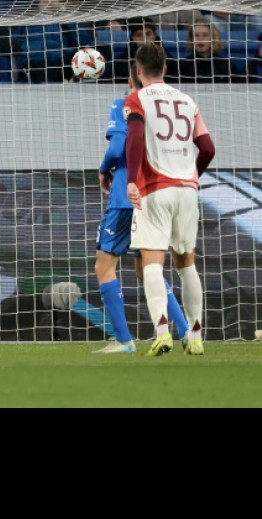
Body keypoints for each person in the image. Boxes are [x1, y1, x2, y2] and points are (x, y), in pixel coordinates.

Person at [125, 43, 216, 357]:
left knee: (152, 262)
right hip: (187, 191)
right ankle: (195, 336)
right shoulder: (188, 101)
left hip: (154, 189)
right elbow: (208, 149)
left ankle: (162, 332)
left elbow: (135, 138)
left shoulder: (136, 99)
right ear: (165, 69)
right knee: (186, 263)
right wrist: (192, 176)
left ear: (138, 70)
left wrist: (133, 181)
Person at [93, 62, 189, 354]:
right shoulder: (167, 110)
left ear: (129, 80)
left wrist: (103, 168)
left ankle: (124, 341)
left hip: (126, 196)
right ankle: (186, 333)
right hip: (156, 195)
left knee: (104, 265)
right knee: (148, 268)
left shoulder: (124, 103)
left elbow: (117, 147)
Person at [105, 17, 179, 85]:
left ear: (154, 35)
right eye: (139, 35)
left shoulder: (169, 61)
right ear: (133, 38)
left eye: (148, 34)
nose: (144, 39)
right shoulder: (119, 63)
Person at [177, 20, 244, 84]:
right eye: (196, 35)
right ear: (191, 39)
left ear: (213, 38)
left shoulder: (227, 66)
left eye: (205, 35)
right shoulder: (182, 66)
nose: (200, 39)